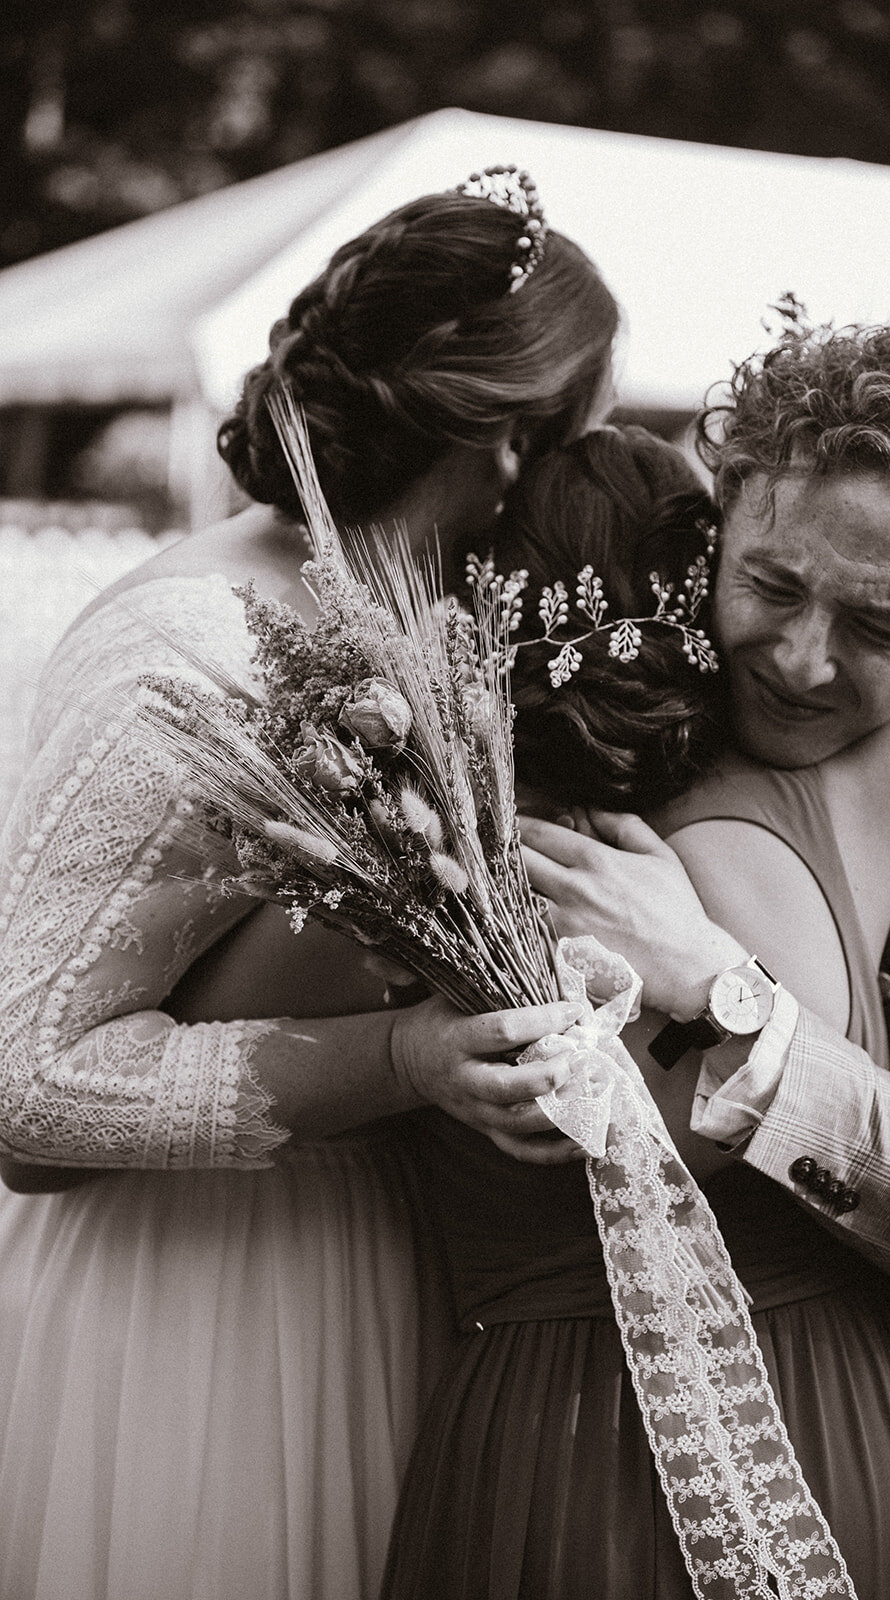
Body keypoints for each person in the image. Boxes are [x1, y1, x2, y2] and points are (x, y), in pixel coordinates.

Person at [0, 170, 617, 1600]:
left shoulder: (390, 624)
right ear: (514, 442)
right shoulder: (191, 645)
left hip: (357, 1267)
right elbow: (25, 1089)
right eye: (576, 430)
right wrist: (405, 1056)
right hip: (191, 1322)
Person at [380, 408, 890, 1600]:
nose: (802, 659)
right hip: (772, 1432)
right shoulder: (874, 798)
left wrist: (712, 980)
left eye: (874, 625)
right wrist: (412, 1052)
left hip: (677, 1443)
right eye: (770, 588)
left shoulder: (407, 831)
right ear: (711, 533)